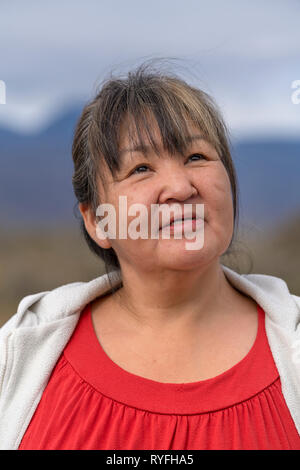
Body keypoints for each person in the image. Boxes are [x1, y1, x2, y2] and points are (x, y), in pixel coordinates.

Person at [0, 61, 300, 450]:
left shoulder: (292, 352)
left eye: (196, 157)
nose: (179, 187)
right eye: (141, 168)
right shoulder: (19, 354)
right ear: (97, 222)